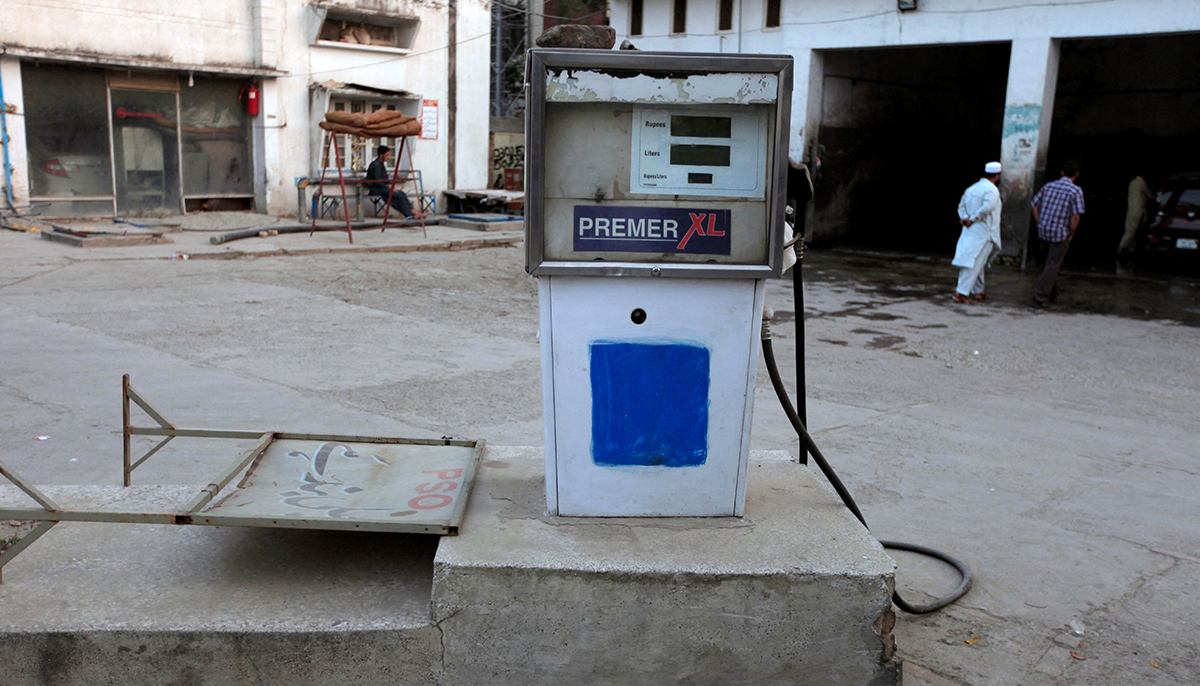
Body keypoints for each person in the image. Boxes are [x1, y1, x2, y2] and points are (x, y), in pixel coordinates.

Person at [1030, 160, 1085, 309]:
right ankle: (1040, 296)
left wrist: (1039, 222)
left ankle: (1051, 293)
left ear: (1062, 172)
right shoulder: (1075, 191)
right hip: (1060, 233)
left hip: (1044, 230)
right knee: (1052, 265)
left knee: (1046, 263)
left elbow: (1034, 204)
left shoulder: (1049, 186)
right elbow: (1075, 216)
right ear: (1076, 175)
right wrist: (1071, 233)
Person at [951, 162, 1003, 304]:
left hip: (971, 229)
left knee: (979, 261)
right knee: (973, 262)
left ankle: (978, 291)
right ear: (997, 176)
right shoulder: (992, 190)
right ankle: (960, 293)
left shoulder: (972, 188)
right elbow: (987, 207)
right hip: (984, 231)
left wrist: (965, 218)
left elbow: (961, 206)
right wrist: (972, 219)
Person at [365, 145, 425, 219]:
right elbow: (378, 181)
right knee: (398, 196)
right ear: (381, 155)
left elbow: (385, 178)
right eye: (387, 155)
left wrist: (391, 186)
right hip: (376, 189)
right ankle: (409, 214)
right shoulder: (376, 166)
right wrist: (388, 186)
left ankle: (413, 211)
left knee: (402, 194)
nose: (388, 157)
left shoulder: (380, 165)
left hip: (382, 188)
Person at [1116, 170, 1154, 258]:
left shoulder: (1133, 182)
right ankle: (1120, 248)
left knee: (1132, 229)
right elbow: (1149, 195)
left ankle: (1131, 249)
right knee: (1132, 230)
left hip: (1131, 209)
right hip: (1138, 210)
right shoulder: (1141, 183)